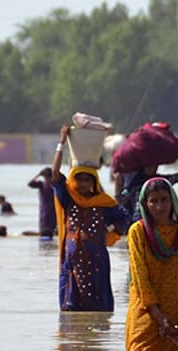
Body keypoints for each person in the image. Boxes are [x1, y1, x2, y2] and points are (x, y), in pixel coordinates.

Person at [125, 177, 178, 351]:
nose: (159, 206)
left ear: (172, 201)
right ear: (145, 205)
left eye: (164, 200)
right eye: (153, 201)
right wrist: (158, 316)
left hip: (175, 312)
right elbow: (140, 279)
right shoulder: (137, 232)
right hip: (145, 314)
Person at [52, 124, 131, 312]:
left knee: (99, 312)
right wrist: (61, 143)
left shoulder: (103, 203)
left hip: (97, 263)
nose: (83, 184)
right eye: (79, 179)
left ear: (94, 182)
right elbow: (55, 174)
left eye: (87, 180)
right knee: (71, 316)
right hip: (72, 265)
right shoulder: (69, 199)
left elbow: (124, 219)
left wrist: (108, 233)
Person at [117, 155, 178, 222]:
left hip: (158, 221)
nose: (152, 167)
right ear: (144, 166)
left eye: (154, 165)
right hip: (140, 220)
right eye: (149, 165)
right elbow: (121, 200)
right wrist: (117, 186)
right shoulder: (135, 182)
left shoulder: (161, 181)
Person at [27, 167, 57, 238]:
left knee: (51, 232)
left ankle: (48, 246)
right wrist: (38, 175)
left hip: (51, 211)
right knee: (45, 232)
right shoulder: (42, 184)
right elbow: (30, 184)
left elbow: (30, 183)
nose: (47, 179)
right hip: (46, 211)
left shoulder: (54, 185)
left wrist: (39, 175)